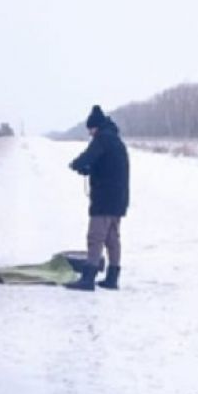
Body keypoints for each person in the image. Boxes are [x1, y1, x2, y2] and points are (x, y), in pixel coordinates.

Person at [64, 105, 129, 292]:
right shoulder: (115, 139)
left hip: (105, 198)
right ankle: (112, 277)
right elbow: (105, 165)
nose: (90, 134)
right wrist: (89, 169)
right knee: (112, 238)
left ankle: (88, 278)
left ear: (95, 127)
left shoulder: (103, 138)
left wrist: (77, 165)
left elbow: (88, 157)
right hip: (118, 198)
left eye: (90, 130)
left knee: (96, 237)